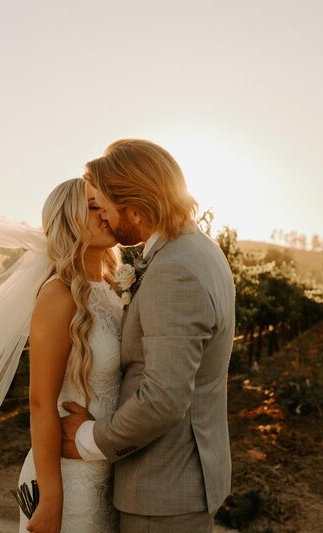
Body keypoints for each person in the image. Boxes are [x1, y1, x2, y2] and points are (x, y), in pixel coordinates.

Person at [60, 139, 236, 533]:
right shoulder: (200, 250)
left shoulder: (175, 269)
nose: (101, 215)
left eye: (103, 204)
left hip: (163, 490)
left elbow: (163, 398)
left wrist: (88, 439)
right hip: (181, 482)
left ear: (134, 207)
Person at [18, 178, 123, 533]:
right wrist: (50, 500)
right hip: (68, 477)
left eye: (105, 205)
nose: (105, 215)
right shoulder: (58, 295)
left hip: (108, 464)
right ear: (69, 220)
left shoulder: (113, 291)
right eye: (93, 208)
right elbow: (40, 403)